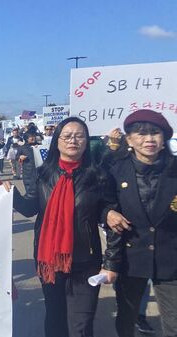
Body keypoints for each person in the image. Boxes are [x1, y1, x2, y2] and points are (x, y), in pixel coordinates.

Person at [10, 117, 121, 337]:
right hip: (49, 261)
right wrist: (7, 192)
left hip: (85, 262)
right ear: (57, 141)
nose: (73, 140)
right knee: (55, 319)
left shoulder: (99, 177)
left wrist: (111, 263)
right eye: (67, 136)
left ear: (87, 142)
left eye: (79, 136)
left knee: (81, 324)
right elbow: (30, 208)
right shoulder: (43, 175)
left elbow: (113, 222)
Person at [104, 109, 177, 337]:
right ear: (129, 140)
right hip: (130, 258)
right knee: (126, 318)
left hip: (170, 258)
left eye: (155, 133)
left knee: (174, 323)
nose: (149, 139)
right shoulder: (115, 171)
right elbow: (102, 202)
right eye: (141, 133)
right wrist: (107, 212)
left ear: (164, 139)